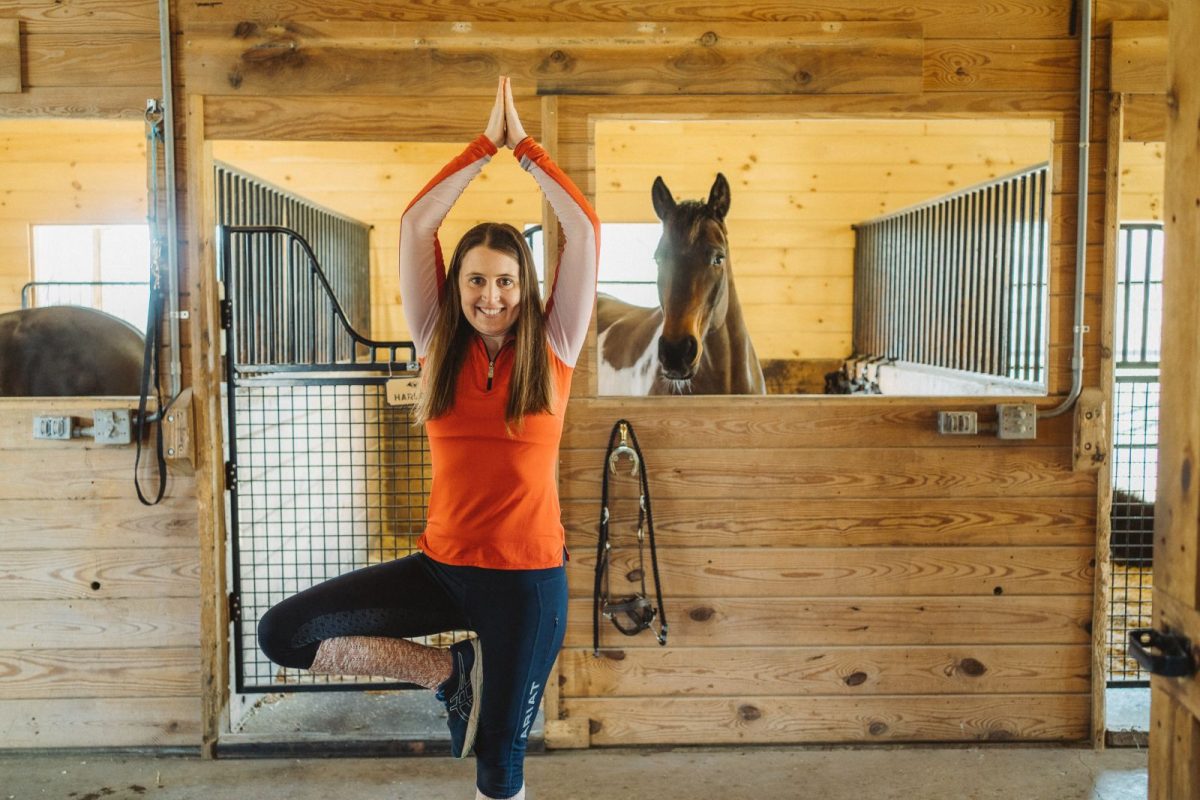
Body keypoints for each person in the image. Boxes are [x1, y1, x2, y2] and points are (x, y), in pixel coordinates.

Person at [257, 76, 600, 800]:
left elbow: (585, 230)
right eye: (476, 280)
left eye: (505, 282)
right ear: (458, 284)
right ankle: (452, 676)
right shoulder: (438, 340)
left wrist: (526, 150)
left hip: (527, 586)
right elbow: (417, 225)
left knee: (499, 765)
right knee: (284, 635)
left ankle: (481, 709)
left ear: (524, 285)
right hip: (442, 568)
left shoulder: (558, 343)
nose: (491, 296)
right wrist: (484, 148)